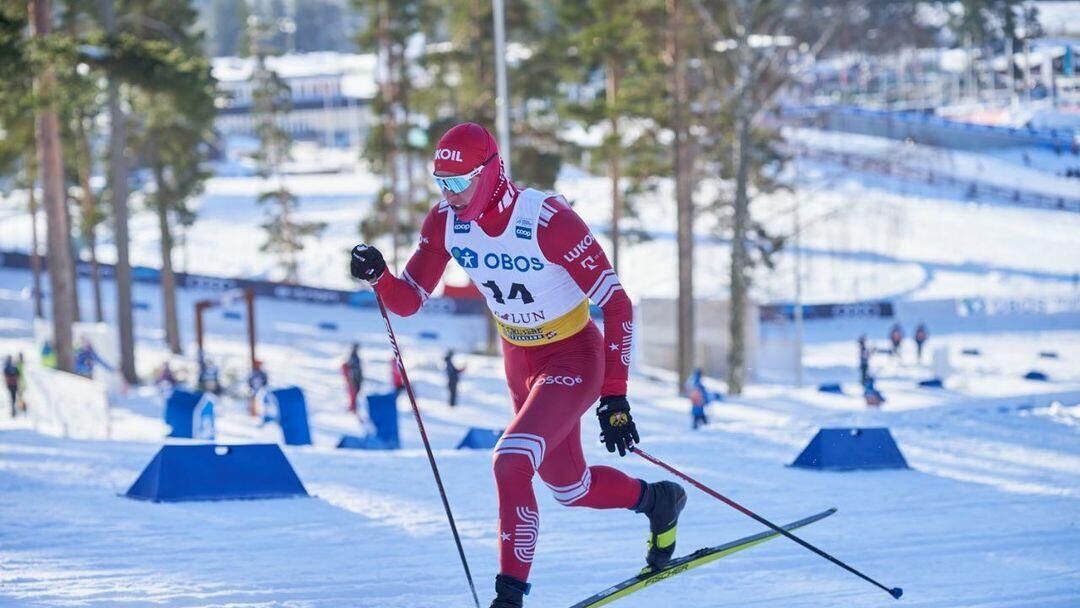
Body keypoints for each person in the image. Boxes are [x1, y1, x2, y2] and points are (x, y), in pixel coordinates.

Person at [350, 122, 685, 608]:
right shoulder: (445, 221)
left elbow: (616, 303)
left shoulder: (547, 219)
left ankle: (509, 598)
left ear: (490, 172)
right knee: (569, 487)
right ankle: (658, 500)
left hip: (573, 354)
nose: (451, 195)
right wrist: (379, 277)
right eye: (442, 184)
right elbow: (409, 301)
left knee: (511, 461)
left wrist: (615, 393)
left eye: (460, 183)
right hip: (519, 359)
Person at [343, 343, 364, 413]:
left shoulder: (355, 357)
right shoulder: (352, 358)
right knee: (353, 394)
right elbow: (352, 370)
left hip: (357, 379)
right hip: (354, 379)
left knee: (356, 394)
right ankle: (353, 409)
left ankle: (354, 409)